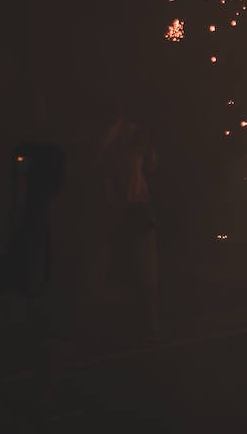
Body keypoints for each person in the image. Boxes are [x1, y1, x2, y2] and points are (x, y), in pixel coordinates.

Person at [96, 105, 161, 342]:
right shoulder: (104, 137)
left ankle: (149, 327)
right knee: (102, 273)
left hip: (134, 208)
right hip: (109, 210)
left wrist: (146, 148)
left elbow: (150, 166)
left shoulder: (133, 134)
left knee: (145, 271)